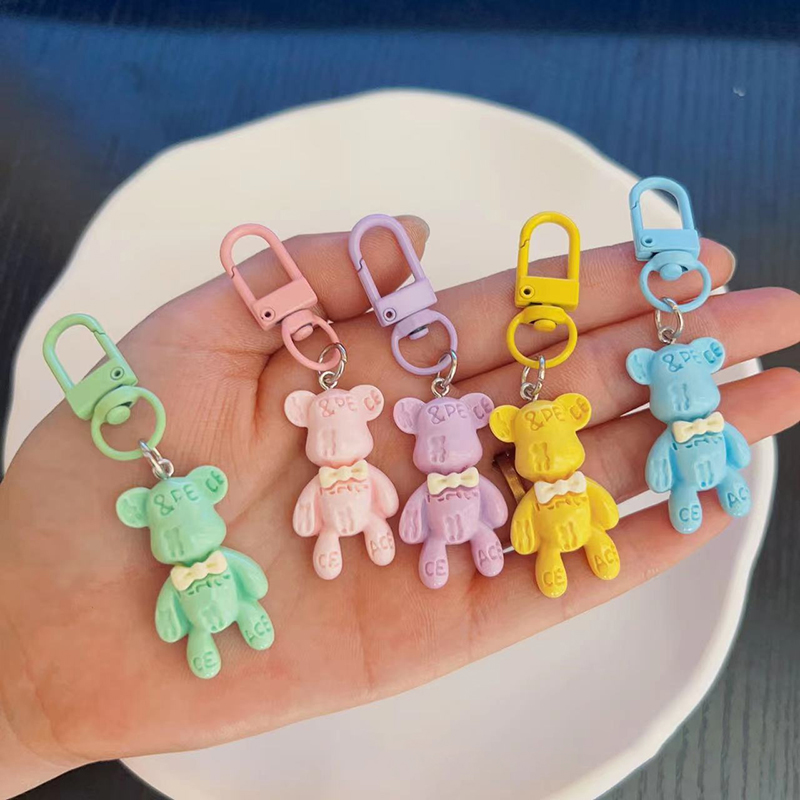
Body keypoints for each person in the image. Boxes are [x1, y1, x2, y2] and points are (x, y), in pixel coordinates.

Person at [1, 216, 799, 797]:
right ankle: (272, 603)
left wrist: (518, 522)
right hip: (318, 529)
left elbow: (530, 498)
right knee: (397, 538)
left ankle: (586, 538)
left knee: (523, 528)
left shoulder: (498, 444)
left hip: (512, 504)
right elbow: (297, 543)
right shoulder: (332, 457)